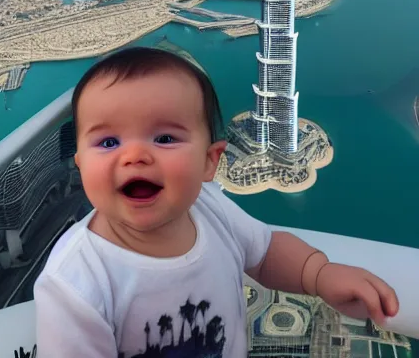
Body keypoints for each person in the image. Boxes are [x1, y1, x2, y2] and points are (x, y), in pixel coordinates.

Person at [34, 46, 399, 358]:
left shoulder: (210, 208)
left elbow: (266, 252)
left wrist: (319, 274)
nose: (135, 156)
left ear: (210, 162)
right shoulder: (76, 283)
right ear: (80, 165)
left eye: (163, 137)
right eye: (108, 142)